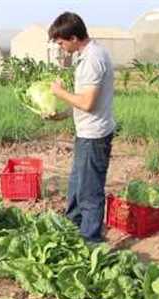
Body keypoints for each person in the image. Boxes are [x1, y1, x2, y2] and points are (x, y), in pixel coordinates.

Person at [46, 12, 116, 243]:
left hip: (94, 135)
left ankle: (90, 240)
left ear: (74, 37)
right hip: (86, 131)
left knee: (90, 191)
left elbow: (87, 103)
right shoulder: (89, 54)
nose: (60, 47)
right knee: (77, 184)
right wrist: (63, 114)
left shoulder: (93, 59)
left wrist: (59, 93)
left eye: (61, 42)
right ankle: (72, 226)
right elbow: (85, 100)